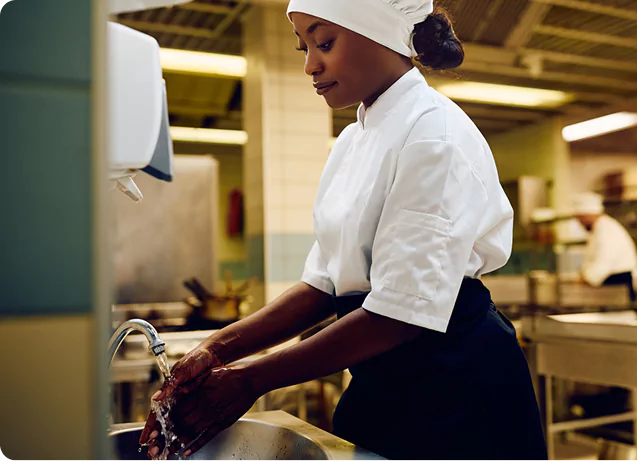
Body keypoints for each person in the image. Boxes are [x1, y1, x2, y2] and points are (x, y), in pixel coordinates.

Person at [140, 1, 548, 460]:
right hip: (387, 380)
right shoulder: (353, 141)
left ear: (379, 34)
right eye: (304, 46)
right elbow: (323, 285)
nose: (310, 64)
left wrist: (250, 379)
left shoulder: (435, 133)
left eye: (324, 42)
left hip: (458, 389)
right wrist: (214, 350)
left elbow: (399, 313)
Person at [572, 192, 637, 302]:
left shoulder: (607, 229)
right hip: (610, 284)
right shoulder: (598, 230)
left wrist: (587, 278)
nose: (579, 222)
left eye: (581, 217)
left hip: (618, 282)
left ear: (590, 214)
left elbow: (605, 260)